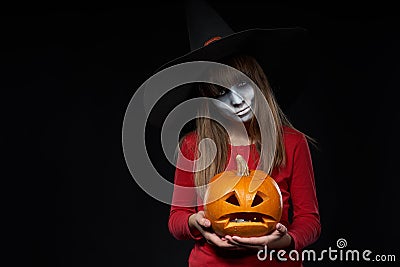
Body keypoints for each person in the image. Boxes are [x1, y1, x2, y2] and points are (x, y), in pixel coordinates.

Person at [168, 52, 321, 266]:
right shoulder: (193, 146)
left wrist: (284, 242)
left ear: (258, 83)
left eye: (242, 84)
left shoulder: (292, 142)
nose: (237, 100)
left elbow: (309, 220)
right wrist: (195, 222)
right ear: (208, 100)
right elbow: (177, 219)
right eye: (221, 92)